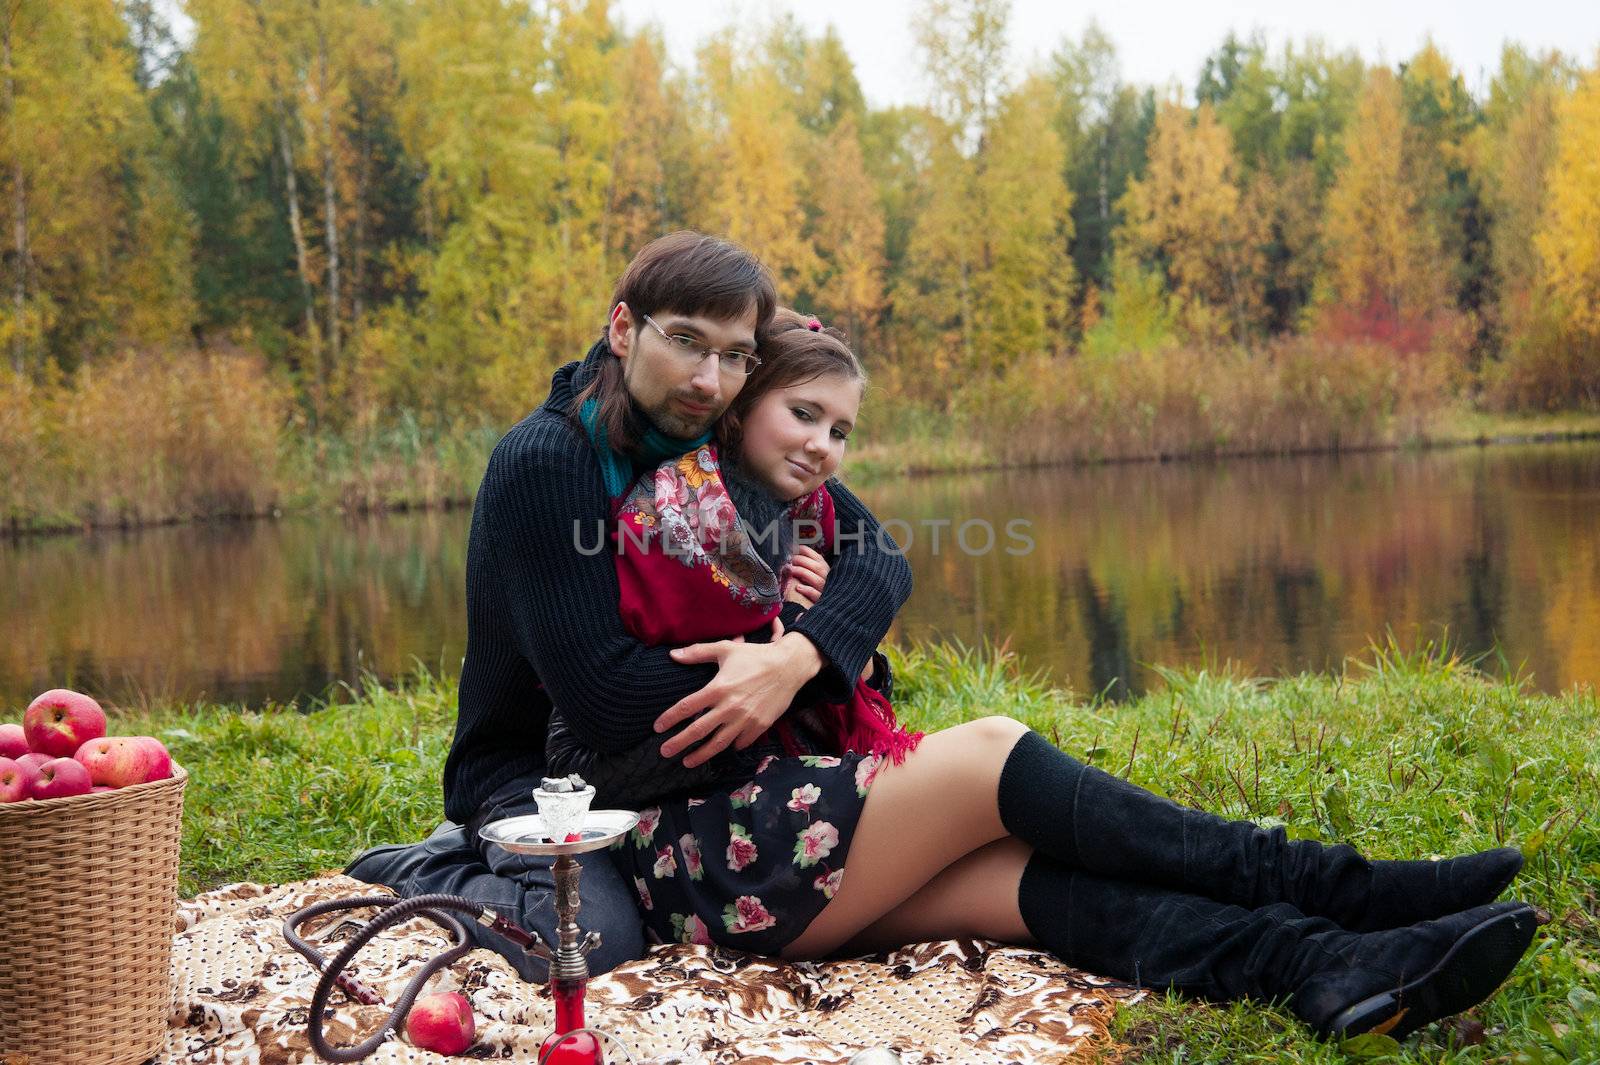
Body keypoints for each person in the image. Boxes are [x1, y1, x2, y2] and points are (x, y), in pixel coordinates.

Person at [545, 308, 1540, 1043]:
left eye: (841, 429)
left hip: (776, 854)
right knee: (991, 754)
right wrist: (797, 635)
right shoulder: (681, 516)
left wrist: (814, 635)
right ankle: (1340, 887)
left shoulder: (796, 512)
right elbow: (658, 706)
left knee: (1028, 888)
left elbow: (881, 566)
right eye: (802, 414)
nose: (822, 444)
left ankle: (1323, 969)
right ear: (741, 405)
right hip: (699, 846)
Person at [346, 232, 913, 982]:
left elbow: (880, 557)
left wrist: (794, 655)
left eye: (734, 355)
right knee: (594, 941)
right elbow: (606, 699)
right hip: (534, 770)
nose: (709, 379)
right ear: (623, 330)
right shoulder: (547, 461)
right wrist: (795, 662)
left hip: (668, 758)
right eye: (685, 341)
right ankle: (422, 870)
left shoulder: (711, 432)